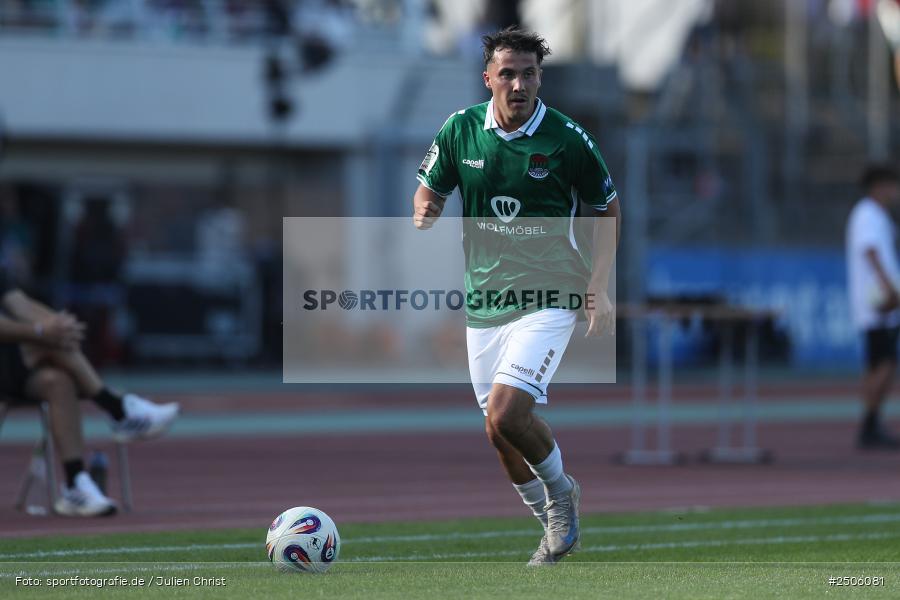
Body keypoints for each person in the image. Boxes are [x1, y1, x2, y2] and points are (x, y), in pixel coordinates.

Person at [412, 26, 620, 565]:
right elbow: (429, 188)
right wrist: (425, 207)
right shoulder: (460, 130)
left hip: (552, 294)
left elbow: (608, 211)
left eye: (529, 73)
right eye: (508, 73)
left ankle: (562, 498)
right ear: (488, 80)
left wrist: (597, 285)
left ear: (539, 78)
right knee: (498, 432)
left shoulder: (567, 138)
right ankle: (550, 514)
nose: (519, 83)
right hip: (483, 301)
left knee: (507, 414)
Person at [0, 269, 180, 516]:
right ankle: (117, 408)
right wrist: (41, 331)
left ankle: (75, 485)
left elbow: (20, 305)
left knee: (58, 382)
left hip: (11, 371)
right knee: (45, 340)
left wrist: (55, 324)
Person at [846, 164, 900, 450]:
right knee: (885, 363)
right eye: (891, 185)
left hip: (880, 298)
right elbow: (870, 251)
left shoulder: (877, 215)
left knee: (880, 363)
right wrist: (888, 288)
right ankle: (870, 422)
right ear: (878, 186)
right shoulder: (867, 214)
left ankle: (871, 421)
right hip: (876, 302)